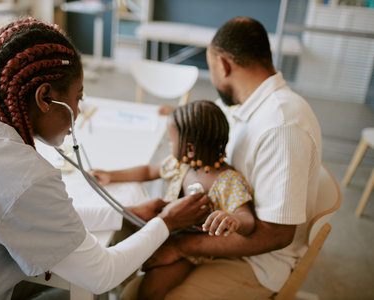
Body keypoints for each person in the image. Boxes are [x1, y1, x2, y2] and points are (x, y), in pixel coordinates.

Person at [0, 17, 211, 299]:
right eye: (79, 97)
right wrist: (168, 222)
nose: (80, 110)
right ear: (45, 98)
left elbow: (19, 214)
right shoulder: (21, 176)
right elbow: (101, 275)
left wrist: (123, 213)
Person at [121, 17, 322, 300]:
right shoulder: (244, 103)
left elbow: (277, 235)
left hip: (256, 261)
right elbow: (204, 122)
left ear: (224, 65)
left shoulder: (282, 125)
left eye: (211, 67)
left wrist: (182, 246)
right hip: (217, 236)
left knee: (138, 293)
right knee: (129, 258)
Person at [91, 100, 256, 299]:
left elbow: (248, 220)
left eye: (171, 141)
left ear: (191, 149)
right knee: (115, 237)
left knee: (150, 289)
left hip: (190, 251)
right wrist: (111, 175)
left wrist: (234, 220)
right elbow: (149, 170)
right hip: (165, 230)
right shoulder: (182, 165)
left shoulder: (228, 181)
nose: (169, 145)